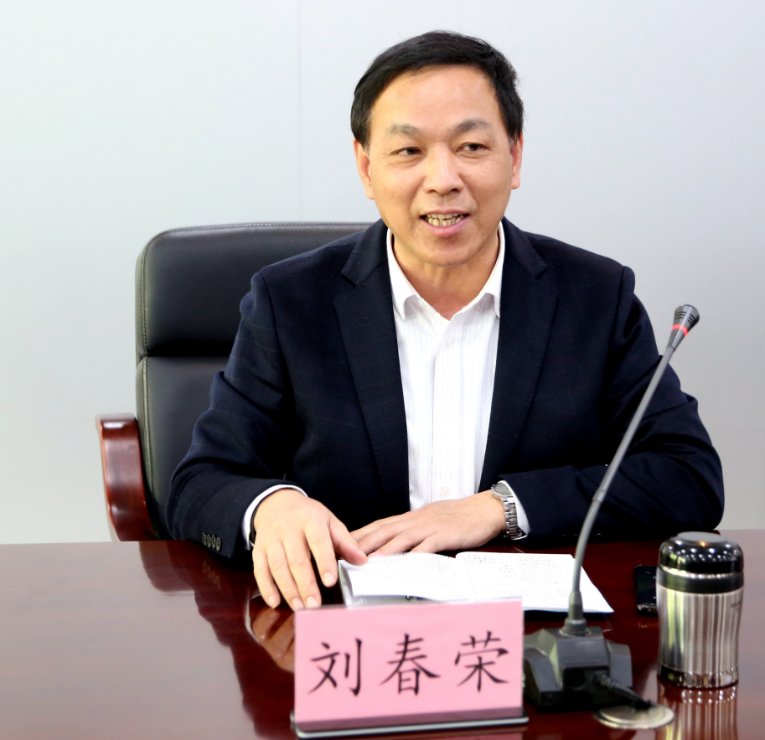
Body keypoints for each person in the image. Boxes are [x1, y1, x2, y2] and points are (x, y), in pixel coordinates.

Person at [167, 31, 723, 613]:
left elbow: (687, 475)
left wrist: (499, 508)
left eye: (471, 146)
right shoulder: (290, 302)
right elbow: (202, 482)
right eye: (408, 151)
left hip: (531, 640)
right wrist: (270, 507)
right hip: (346, 635)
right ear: (366, 168)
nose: (443, 179)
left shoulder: (594, 297)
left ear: (515, 156)